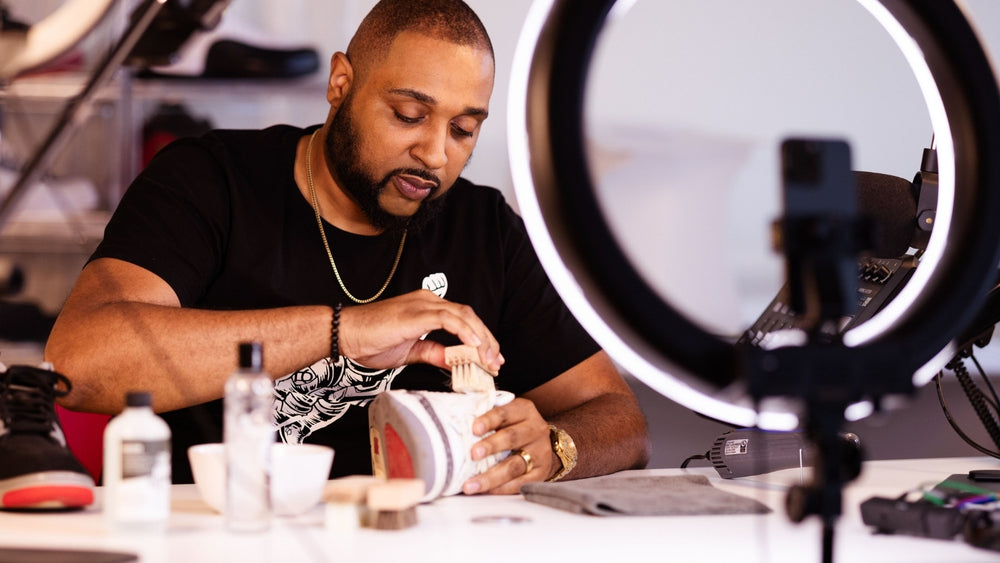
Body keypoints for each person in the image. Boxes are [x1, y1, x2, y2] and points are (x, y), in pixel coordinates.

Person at [46, 0, 650, 494]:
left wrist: (555, 447)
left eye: (464, 129)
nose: (437, 154)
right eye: (410, 115)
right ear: (341, 83)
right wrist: (346, 330)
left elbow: (620, 418)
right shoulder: (210, 180)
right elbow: (81, 361)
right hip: (219, 536)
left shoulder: (484, 227)